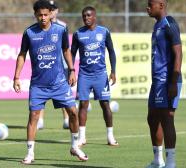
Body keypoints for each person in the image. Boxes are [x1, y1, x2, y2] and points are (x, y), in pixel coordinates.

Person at [13, 0, 88, 164]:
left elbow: (66, 50)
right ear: (35, 15)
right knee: (33, 116)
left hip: (59, 82)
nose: (43, 18)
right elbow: (22, 54)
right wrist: (16, 77)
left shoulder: (60, 30)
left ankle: (75, 146)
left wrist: (72, 70)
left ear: (51, 14)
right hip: (38, 85)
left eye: (46, 14)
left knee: (73, 113)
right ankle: (30, 153)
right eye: (40, 15)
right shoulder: (29, 33)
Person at [71, 6, 118, 147]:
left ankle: (110, 136)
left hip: (100, 75)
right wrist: (71, 71)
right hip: (84, 75)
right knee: (83, 104)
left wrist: (113, 71)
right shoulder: (78, 34)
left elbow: (111, 52)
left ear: (95, 16)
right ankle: (82, 137)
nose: (86, 18)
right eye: (84, 16)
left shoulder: (104, 32)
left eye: (89, 15)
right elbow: (72, 53)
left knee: (105, 105)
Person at [146, 0, 182, 168]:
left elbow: (178, 53)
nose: (147, 7)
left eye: (150, 4)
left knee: (167, 119)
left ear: (161, 5)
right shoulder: (157, 26)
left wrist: (173, 82)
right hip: (157, 81)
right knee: (152, 118)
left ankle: (171, 162)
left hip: (167, 81)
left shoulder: (169, 24)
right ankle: (157, 160)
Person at [36, 0, 70, 130]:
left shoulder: (62, 26)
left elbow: (66, 48)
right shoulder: (39, 26)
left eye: (53, 9)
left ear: (56, 11)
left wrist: (70, 67)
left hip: (61, 66)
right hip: (45, 65)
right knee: (41, 93)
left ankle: (66, 119)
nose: (51, 11)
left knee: (63, 94)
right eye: (49, 9)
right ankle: (40, 120)